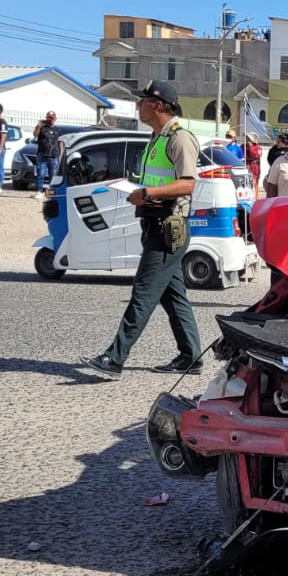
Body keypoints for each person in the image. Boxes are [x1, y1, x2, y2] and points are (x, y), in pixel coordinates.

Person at [87, 81, 202, 379]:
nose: (138, 105)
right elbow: (160, 180)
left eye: (143, 101)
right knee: (172, 296)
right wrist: (138, 188)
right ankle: (191, 357)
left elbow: (188, 183)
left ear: (159, 105)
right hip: (154, 224)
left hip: (168, 227)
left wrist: (148, 193)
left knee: (143, 293)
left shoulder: (179, 138)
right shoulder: (156, 138)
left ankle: (114, 358)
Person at [32, 111, 61, 200]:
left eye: (52, 118)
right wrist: (39, 126)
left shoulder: (58, 130)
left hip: (53, 155)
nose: (50, 120)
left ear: (55, 119)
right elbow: (35, 134)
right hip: (42, 155)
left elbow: (60, 143)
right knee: (40, 174)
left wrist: (60, 155)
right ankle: (39, 191)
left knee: (53, 175)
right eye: (49, 118)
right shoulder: (42, 128)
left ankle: (51, 192)